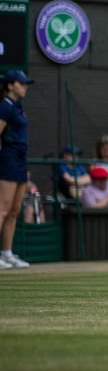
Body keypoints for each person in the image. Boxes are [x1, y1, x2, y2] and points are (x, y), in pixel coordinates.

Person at [0, 70, 34, 269]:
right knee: (2, 209)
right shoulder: (4, 106)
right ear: (11, 85)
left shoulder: (18, 108)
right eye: (21, 83)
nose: (25, 87)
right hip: (8, 159)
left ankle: (7, 253)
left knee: (14, 210)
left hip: (21, 160)